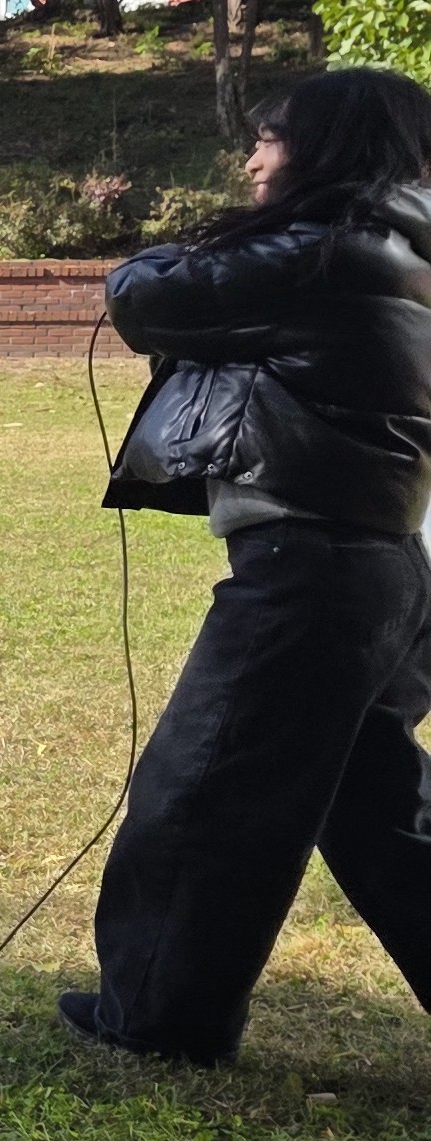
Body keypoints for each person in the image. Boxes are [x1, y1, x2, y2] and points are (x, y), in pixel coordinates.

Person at [73, 69, 431, 1063]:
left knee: (202, 796)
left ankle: (156, 1021)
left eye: (268, 141)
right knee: (378, 815)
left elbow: (143, 295)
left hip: (307, 572)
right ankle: (164, 1010)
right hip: (384, 572)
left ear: (322, 149)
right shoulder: (399, 246)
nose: (251, 162)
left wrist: (187, 241)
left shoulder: (323, 254)